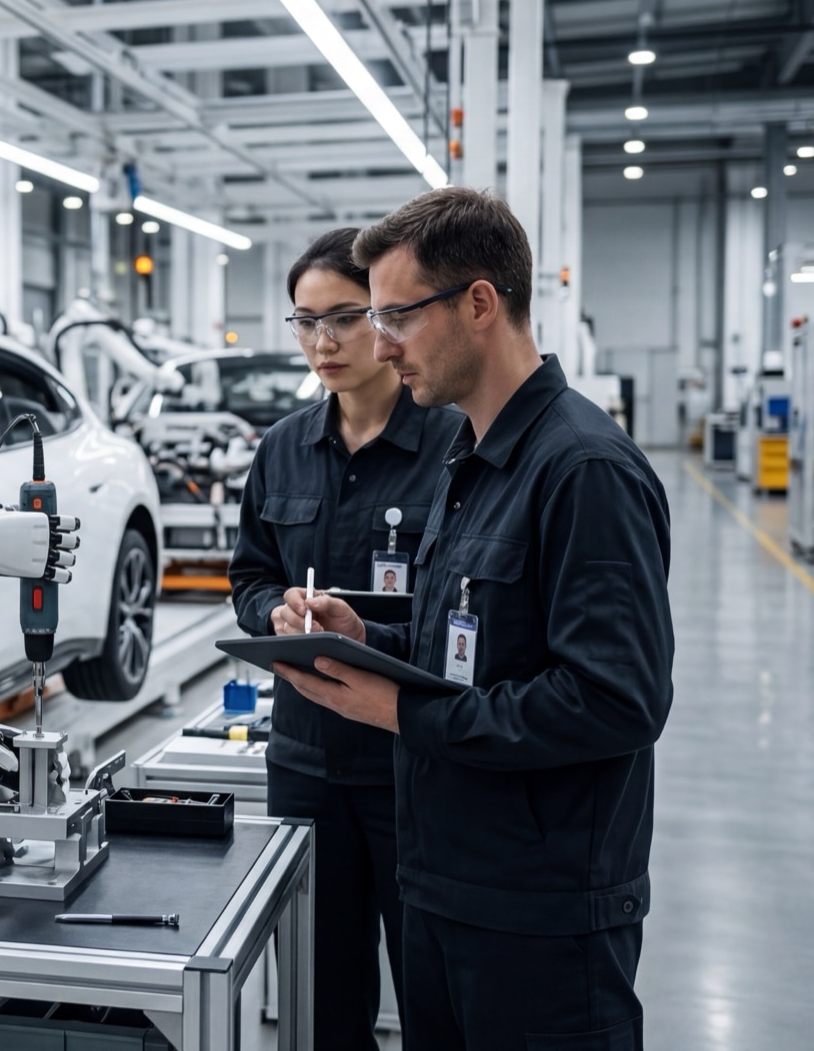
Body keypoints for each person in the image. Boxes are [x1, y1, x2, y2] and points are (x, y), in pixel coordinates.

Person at [269, 187, 673, 1050]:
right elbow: (472, 649)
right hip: (444, 886)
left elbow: (615, 701)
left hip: (541, 915)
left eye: (396, 317)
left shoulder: (583, 469)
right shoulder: (473, 459)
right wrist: (369, 642)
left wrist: (402, 710)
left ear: (479, 303)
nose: (378, 345)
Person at [228, 228, 463, 1051]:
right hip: (305, 763)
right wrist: (275, 615)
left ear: (388, 318)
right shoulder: (282, 449)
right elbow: (249, 577)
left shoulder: (454, 445)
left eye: (344, 317)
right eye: (304, 322)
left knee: (436, 993)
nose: (322, 342)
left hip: (414, 763)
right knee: (323, 1002)